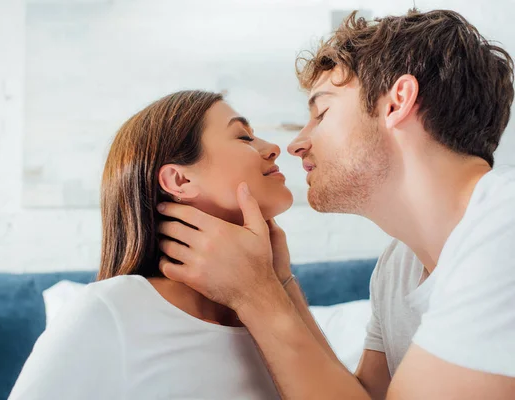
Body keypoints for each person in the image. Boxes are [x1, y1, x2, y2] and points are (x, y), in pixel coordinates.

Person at [157, 9, 515, 400]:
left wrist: (255, 296)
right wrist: (280, 284)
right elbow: (358, 395)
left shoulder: (503, 229)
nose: (295, 144)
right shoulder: (398, 268)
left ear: (397, 103)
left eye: (321, 112)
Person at [8, 90, 298, 399]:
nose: (274, 148)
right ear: (180, 181)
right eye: (243, 137)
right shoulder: (109, 311)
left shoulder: (274, 314)